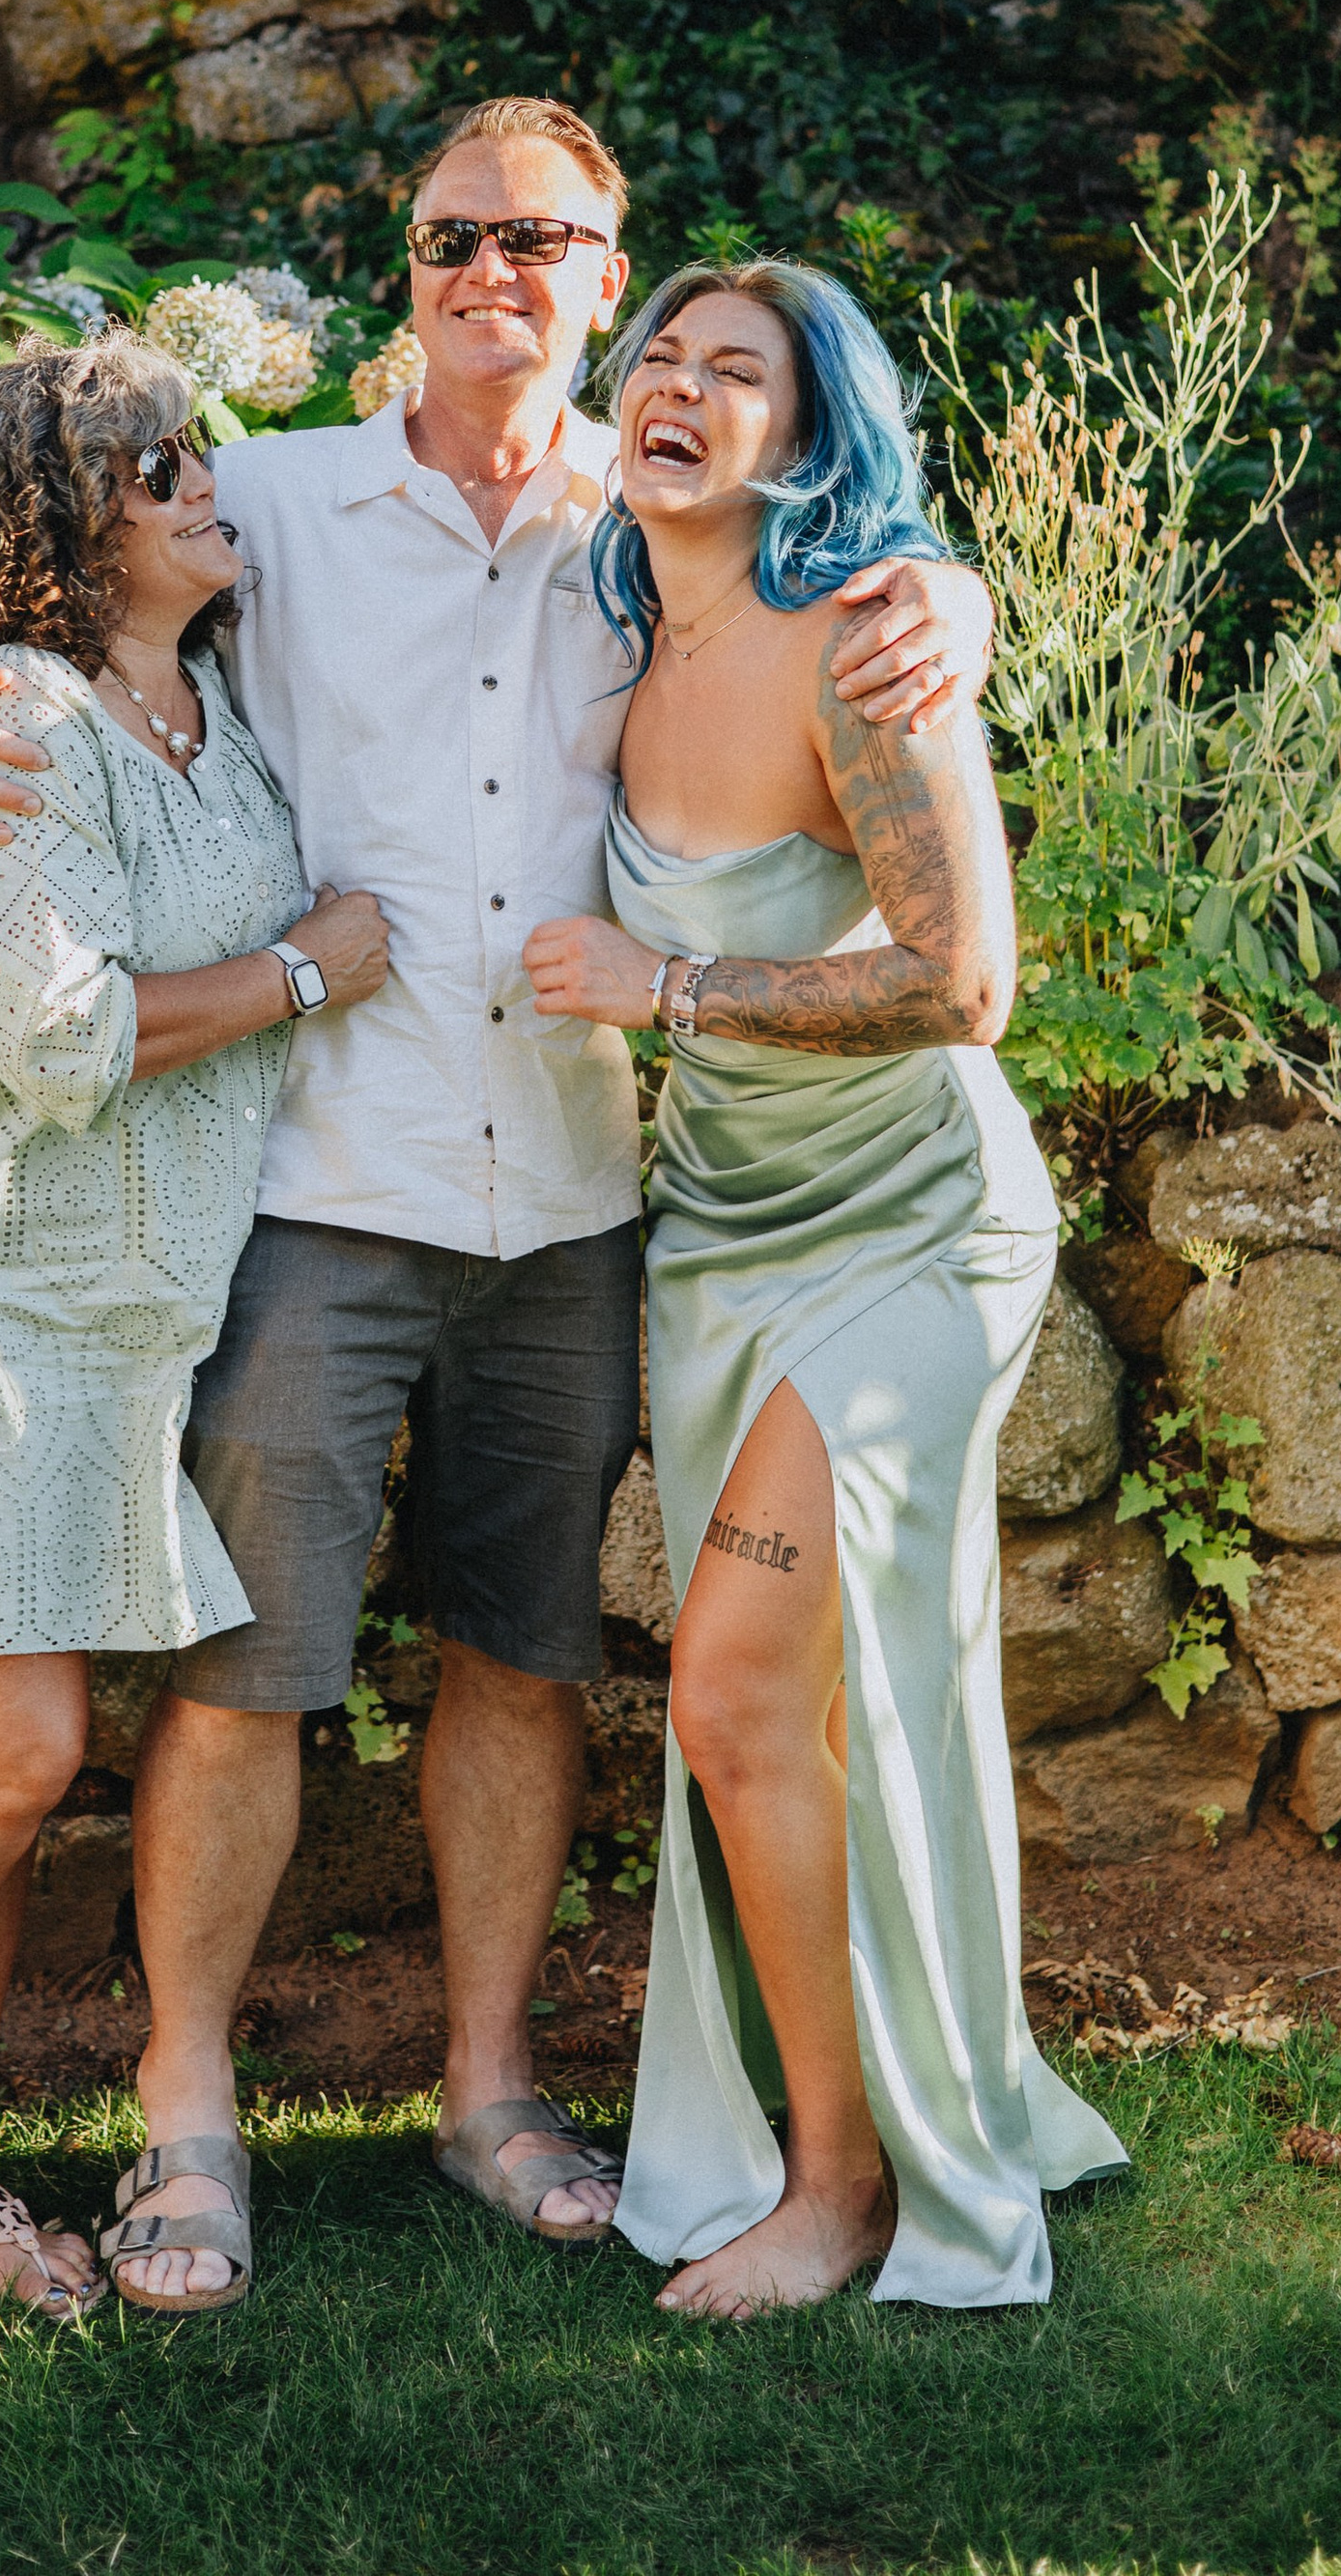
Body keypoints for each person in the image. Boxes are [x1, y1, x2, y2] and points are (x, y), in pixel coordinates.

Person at [0, 99, 999, 2305]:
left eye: (540, 241)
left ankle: (486, 2089)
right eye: (451, 234)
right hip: (314, 1185)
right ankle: (185, 2119)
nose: (493, 271)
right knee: (244, 1675)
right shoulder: (270, 505)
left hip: (574, 1195)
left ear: (605, 275)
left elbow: (872, 597)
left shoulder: (665, 524)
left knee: (518, 1661)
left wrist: (942, 584)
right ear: (405, 267)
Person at [0, 338, 387, 2325]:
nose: (206, 487)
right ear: (62, 517)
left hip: (106, 1296)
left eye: (198, 453)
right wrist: (305, 972)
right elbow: (64, 1038)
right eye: (155, 468)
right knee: (10, 1741)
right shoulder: (9, 714)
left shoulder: (202, 702)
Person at [521, 258, 1127, 2321]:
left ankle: (841, 2186)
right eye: (656, 359)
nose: (678, 389)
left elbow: (963, 983)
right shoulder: (601, 616)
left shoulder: (859, 649)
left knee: (724, 1687)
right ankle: (895, 2109)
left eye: (736, 370)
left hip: (902, 1233)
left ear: (809, 433)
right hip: (715, 1236)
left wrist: (666, 985)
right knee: (778, 1714)